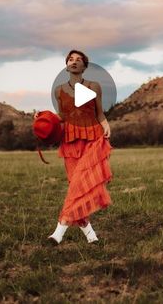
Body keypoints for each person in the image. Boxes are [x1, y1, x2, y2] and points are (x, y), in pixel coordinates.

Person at [47, 49, 113, 244]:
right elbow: (62, 116)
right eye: (70, 59)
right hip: (69, 141)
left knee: (80, 186)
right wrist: (43, 117)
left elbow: (99, 113)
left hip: (92, 139)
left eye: (79, 60)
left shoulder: (94, 86)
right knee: (76, 187)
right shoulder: (59, 90)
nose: (74, 62)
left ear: (84, 66)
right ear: (67, 65)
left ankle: (58, 232)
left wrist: (106, 125)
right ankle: (91, 236)